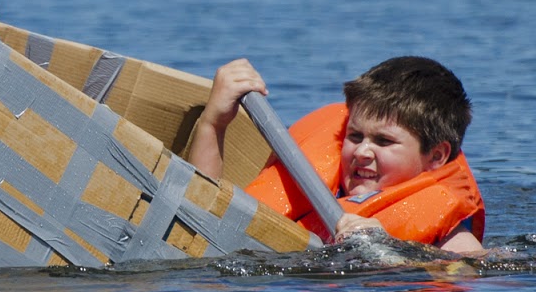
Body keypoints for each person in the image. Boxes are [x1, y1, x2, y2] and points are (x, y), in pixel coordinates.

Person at [187, 56, 485, 255]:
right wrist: (213, 124)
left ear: (436, 157)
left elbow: (475, 272)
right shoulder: (318, 184)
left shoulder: (453, 240)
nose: (362, 152)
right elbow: (201, 219)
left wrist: (389, 248)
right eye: (355, 136)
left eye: (384, 141)